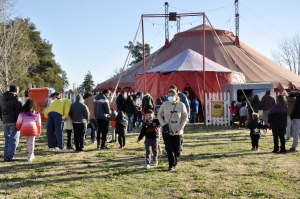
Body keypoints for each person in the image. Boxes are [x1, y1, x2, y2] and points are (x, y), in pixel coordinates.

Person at [157, 89, 188, 171]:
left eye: (172, 95)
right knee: (169, 149)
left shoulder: (181, 105)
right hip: (168, 130)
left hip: (178, 130)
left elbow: (185, 116)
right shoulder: (164, 104)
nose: (170, 97)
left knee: (177, 150)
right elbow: (159, 115)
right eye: (169, 95)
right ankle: (171, 165)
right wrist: (163, 124)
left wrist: (182, 125)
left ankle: (175, 161)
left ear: (176, 96)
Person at [0, 84, 22, 162]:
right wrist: (20, 121)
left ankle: (6, 155)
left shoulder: (2, 98)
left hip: (5, 121)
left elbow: (0, 110)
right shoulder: (16, 99)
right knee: (14, 139)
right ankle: (10, 156)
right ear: (16, 90)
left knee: (7, 139)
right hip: (14, 121)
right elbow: (19, 111)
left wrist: (2, 119)